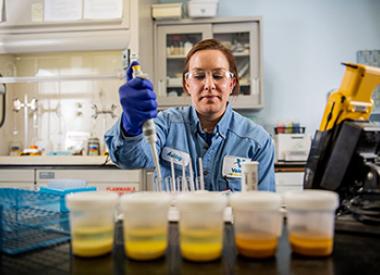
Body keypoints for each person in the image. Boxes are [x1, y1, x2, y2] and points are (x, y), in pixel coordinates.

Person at [105, 39, 275, 192]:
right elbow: (130, 159)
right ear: (187, 84)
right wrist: (131, 125)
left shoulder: (258, 141)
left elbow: (266, 207)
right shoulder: (166, 124)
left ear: (231, 83)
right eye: (199, 76)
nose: (209, 85)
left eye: (218, 76)